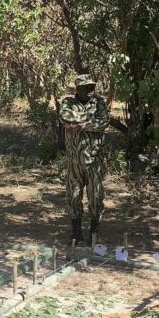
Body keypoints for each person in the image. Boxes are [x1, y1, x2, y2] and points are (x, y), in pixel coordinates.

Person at [59, 74, 111, 244]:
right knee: (73, 196)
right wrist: (90, 122)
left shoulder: (99, 103)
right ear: (78, 89)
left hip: (95, 159)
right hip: (74, 159)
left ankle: (94, 232)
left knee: (96, 195)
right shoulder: (68, 103)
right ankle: (76, 232)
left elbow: (104, 121)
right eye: (86, 87)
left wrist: (81, 125)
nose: (90, 90)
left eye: (92, 87)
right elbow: (65, 118)